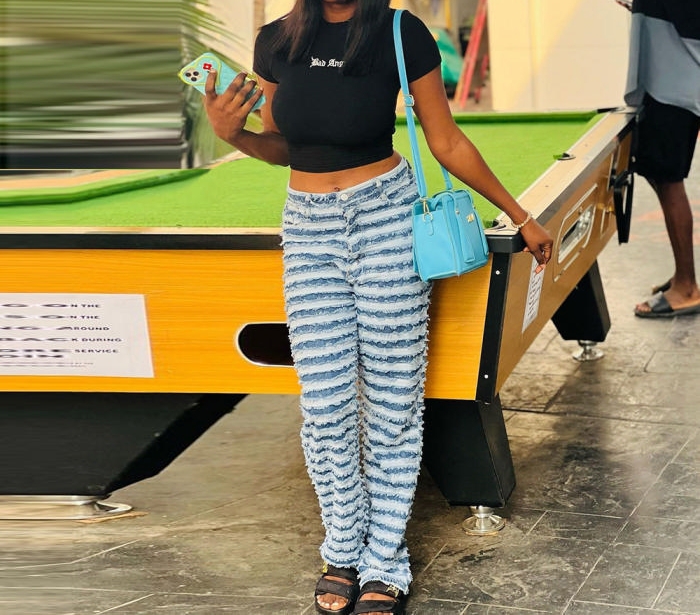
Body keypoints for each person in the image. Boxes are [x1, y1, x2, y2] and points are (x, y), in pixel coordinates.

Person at [202, 1, 552, 613]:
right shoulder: (275, 42)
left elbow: (445, 139)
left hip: (387, 216)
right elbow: (286, 147)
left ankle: (385, 559)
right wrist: (233, 135)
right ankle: (342, 548)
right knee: (326, 402)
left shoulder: (399, 31)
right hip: (309, 228)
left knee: (393, 401)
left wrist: (521, 215)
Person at [618, 0, 700, 318]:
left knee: (667, 179)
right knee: (658, 174)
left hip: (675, 85)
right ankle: (683, 275)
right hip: (670, 80)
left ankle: (687, 286)